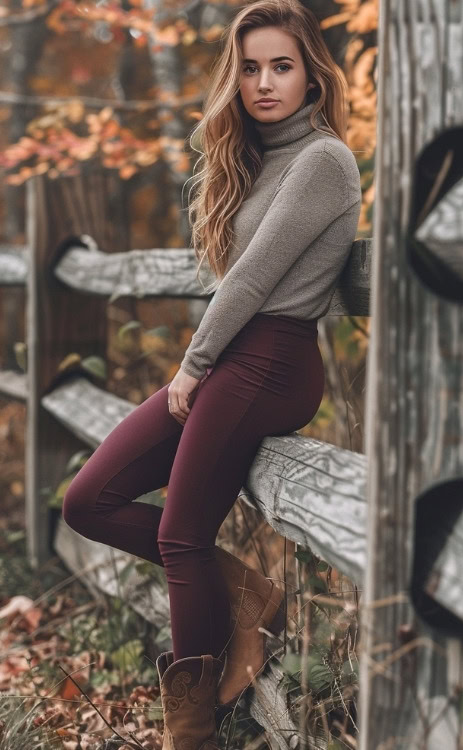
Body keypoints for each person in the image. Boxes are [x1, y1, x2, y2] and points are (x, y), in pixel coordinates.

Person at [62, 0, 362, 746]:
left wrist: (193, 365)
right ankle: (245, 590)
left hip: (273, 359)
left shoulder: (324, 158)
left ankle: (190, 731)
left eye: (282, 66)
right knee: (87, 499)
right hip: (234, 358)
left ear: (312, 77)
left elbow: (254, 278)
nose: (264, 82)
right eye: (251, 67)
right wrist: (202, 364)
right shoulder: (257, 161)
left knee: (180, 536)